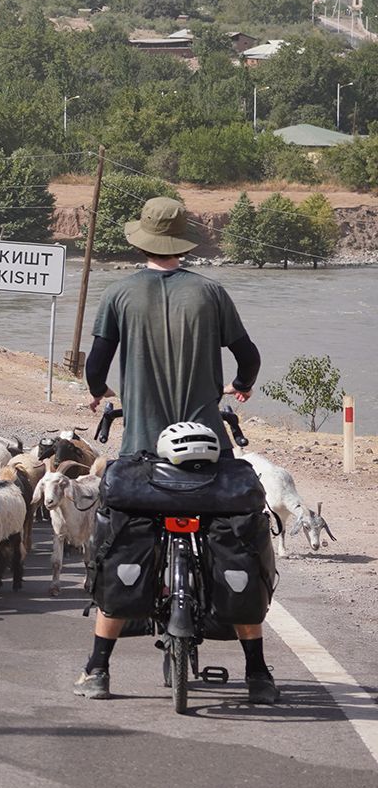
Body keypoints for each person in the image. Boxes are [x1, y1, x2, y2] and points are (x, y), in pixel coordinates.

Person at [76, 195, 274, 703]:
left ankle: (98, 670)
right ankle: (258, 674)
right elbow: (248, 354)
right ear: (182, 241)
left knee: (124, 541)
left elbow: (96, 363)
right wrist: (242, 384)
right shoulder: (210, 293)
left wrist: (98, 391)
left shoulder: (119, 294)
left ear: (141, 239)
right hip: (208, 452)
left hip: (143, 453)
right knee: (233, 539)